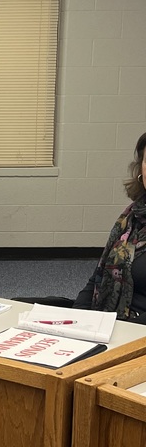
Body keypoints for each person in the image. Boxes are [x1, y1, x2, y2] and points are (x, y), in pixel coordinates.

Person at [74, 132, 146, 321]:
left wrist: (122, 331)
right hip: (111, 322)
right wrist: (77, 319)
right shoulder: (131, 218)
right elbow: (97, 278)